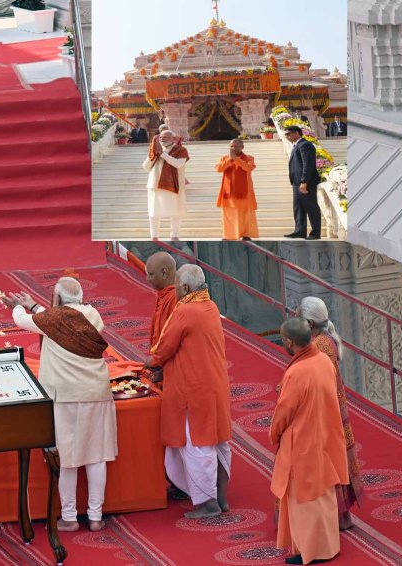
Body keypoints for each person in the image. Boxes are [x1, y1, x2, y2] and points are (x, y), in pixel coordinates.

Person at [2, 277, 117, 532]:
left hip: (65, 397)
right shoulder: (93, 315)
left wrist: (18, 306)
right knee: (97, 456)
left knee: (66, 458)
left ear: (57, 298)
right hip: (97, 393)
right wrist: (34, 305)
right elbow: (59, 320)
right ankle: (95, 517)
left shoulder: (54, 320)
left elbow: (23, 320)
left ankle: (70, 517)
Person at [145, 265, 231, 518]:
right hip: (214, 384)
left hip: (192, 389)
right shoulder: (210, 306)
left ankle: (208, 503)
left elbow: (164, 348)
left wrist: (151, 363)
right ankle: (221, 498)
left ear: (184, 287)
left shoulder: (185, 311)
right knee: (217, 442)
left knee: (197, 444)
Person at [271, 318, 348, 565]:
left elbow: (284, 412)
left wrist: (274, 434)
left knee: (304, 499)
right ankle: (328, 546)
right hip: (326, 436)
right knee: (324, 493)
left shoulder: (296, 372)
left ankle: (311, 551)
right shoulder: (323, 360)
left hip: (303, 442)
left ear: (289, 342)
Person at [297, 297, 362, 531]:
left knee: (326, 461)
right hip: (329, 405)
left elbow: (315, 380)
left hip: (324, 409)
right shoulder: (324, 340)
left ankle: (334, 517)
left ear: (310, 324)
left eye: (299, 318)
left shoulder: (321, 345)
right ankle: (337, 516)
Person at [143, 129, 189, 240]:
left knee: (176, 212)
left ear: (173, 139)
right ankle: (154, 236)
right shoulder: (155, 151)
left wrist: (163, 154)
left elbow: (178, 164)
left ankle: (174, 236)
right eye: (161, 137)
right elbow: (146, 167)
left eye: (166, 137)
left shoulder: (181, 150)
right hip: (155, 185)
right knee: (154, 212)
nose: (162, 138)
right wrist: (153, 155)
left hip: (174, 185)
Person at [215, 138, 259, 240]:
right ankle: (228, 235)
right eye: (231, 146)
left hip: (245, 191)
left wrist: (236, 159)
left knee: (245, 213)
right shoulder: (225, 158)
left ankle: (246, 234)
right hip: (228, 191)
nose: (233, 148)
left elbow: (249, 168)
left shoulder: (249, 158)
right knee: (229, 214)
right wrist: (230, 159)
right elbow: (219, 169)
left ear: (242, 147)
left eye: (236, 146)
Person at [284, 125, 322, 240]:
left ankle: (315, 233)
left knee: (311, 207)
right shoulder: (296, 145)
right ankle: (299, 231)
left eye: (288, 134)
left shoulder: (305, 145)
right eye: (285, 135)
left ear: (296, 133)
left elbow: (308, 165)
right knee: (298, 208)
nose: (287, 137)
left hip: (306, 183)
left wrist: (304, 181)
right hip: (296, 183)